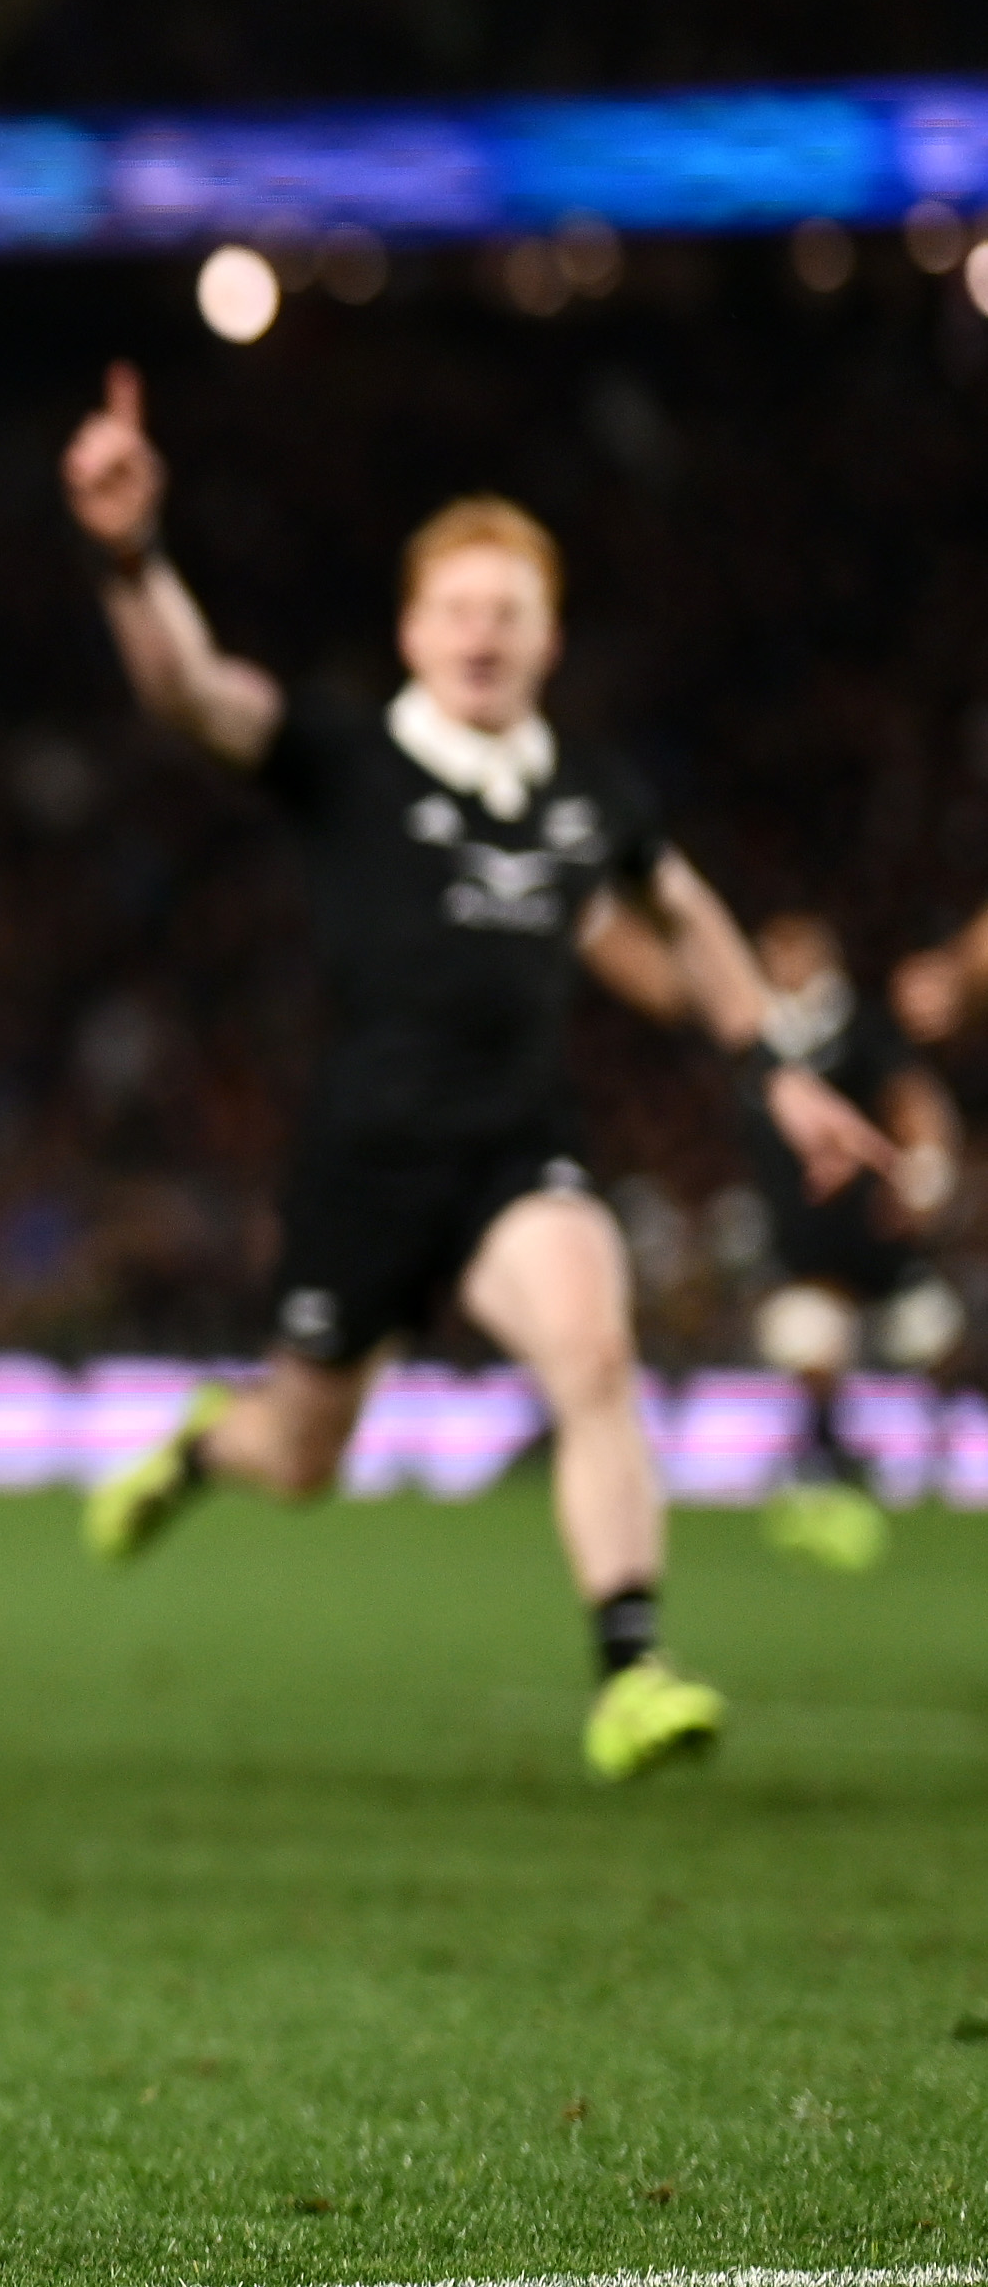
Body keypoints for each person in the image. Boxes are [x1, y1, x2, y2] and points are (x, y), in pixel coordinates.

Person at [60, 367, 896, 1776]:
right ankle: (212, 1445)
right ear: (411, 629)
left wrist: (776, 1062)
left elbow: (685, 914)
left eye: (508, 610)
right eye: (458, 607)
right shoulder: (343, 750)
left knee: (596, 1350)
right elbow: (189, 691)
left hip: (518, 1142)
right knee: (303, 1457)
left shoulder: (588, 786)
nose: (482, 632)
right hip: (364, 1156)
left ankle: (631, 1667)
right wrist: (128, 554)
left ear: (548, 635)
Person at [720, 915, 956, 1569]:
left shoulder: (861, 1028)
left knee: (930, 1342)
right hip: (808, 1248)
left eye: (790, 947)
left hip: (880, 1240)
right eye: (768, 948)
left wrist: (923, 1171)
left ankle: (941, 1459)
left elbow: (913, 1097)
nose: (775, 958)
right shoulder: (753, 1037)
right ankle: (826, 1466)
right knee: (806, 1339)